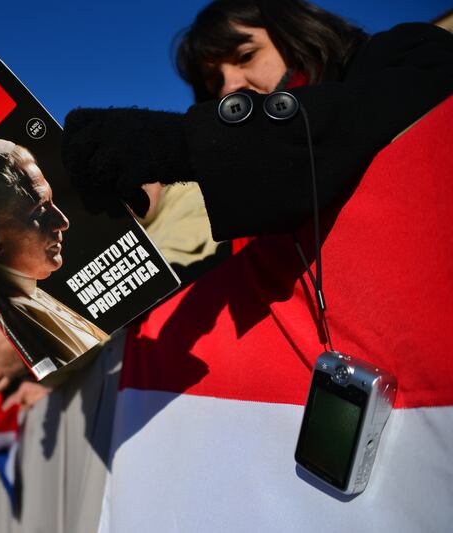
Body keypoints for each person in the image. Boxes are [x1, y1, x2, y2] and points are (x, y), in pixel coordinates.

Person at [61, 1, 453, 531]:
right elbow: (213, 279)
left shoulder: (412, 52)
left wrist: (174, 144)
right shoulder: (248, 210)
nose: (230, 87)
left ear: (299, 31)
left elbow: (350, 125)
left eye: (246, 56)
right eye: (215, 80)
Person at [0, 137, 108, 371]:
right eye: (40, 211)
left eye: (52, 202)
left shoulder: (29, 289)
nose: (63, 222)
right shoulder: (13, 313)